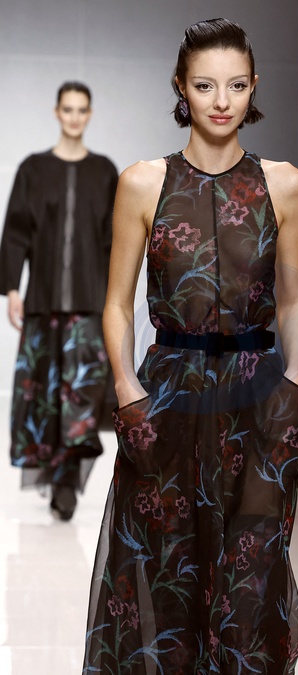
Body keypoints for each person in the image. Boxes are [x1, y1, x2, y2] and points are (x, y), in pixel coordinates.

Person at [83, 19, 298, 674]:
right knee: (162, 564)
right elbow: (115, 301)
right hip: (167, 395)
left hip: (256, 398)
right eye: (205, 85)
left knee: (251, 573)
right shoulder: (143, 182)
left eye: (237, 85)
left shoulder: (286, 184)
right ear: (181, 87)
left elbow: (294, 298)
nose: (222, 101)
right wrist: (126, 389)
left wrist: (296, 380)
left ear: (254, 87)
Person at [0, 81, 119, 520]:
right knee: (45, 393)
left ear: (89, 114)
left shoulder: (104, 172)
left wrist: (116, 299)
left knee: (82, 394)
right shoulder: (33, 169)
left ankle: (67, 483)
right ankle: (54, 476)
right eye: (67, 109)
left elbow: (114, 241)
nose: (74, 117)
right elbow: (16, 231)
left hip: (88, 304)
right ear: (57, 112)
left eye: (81, 110)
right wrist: (13, 288)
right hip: (43, 302)